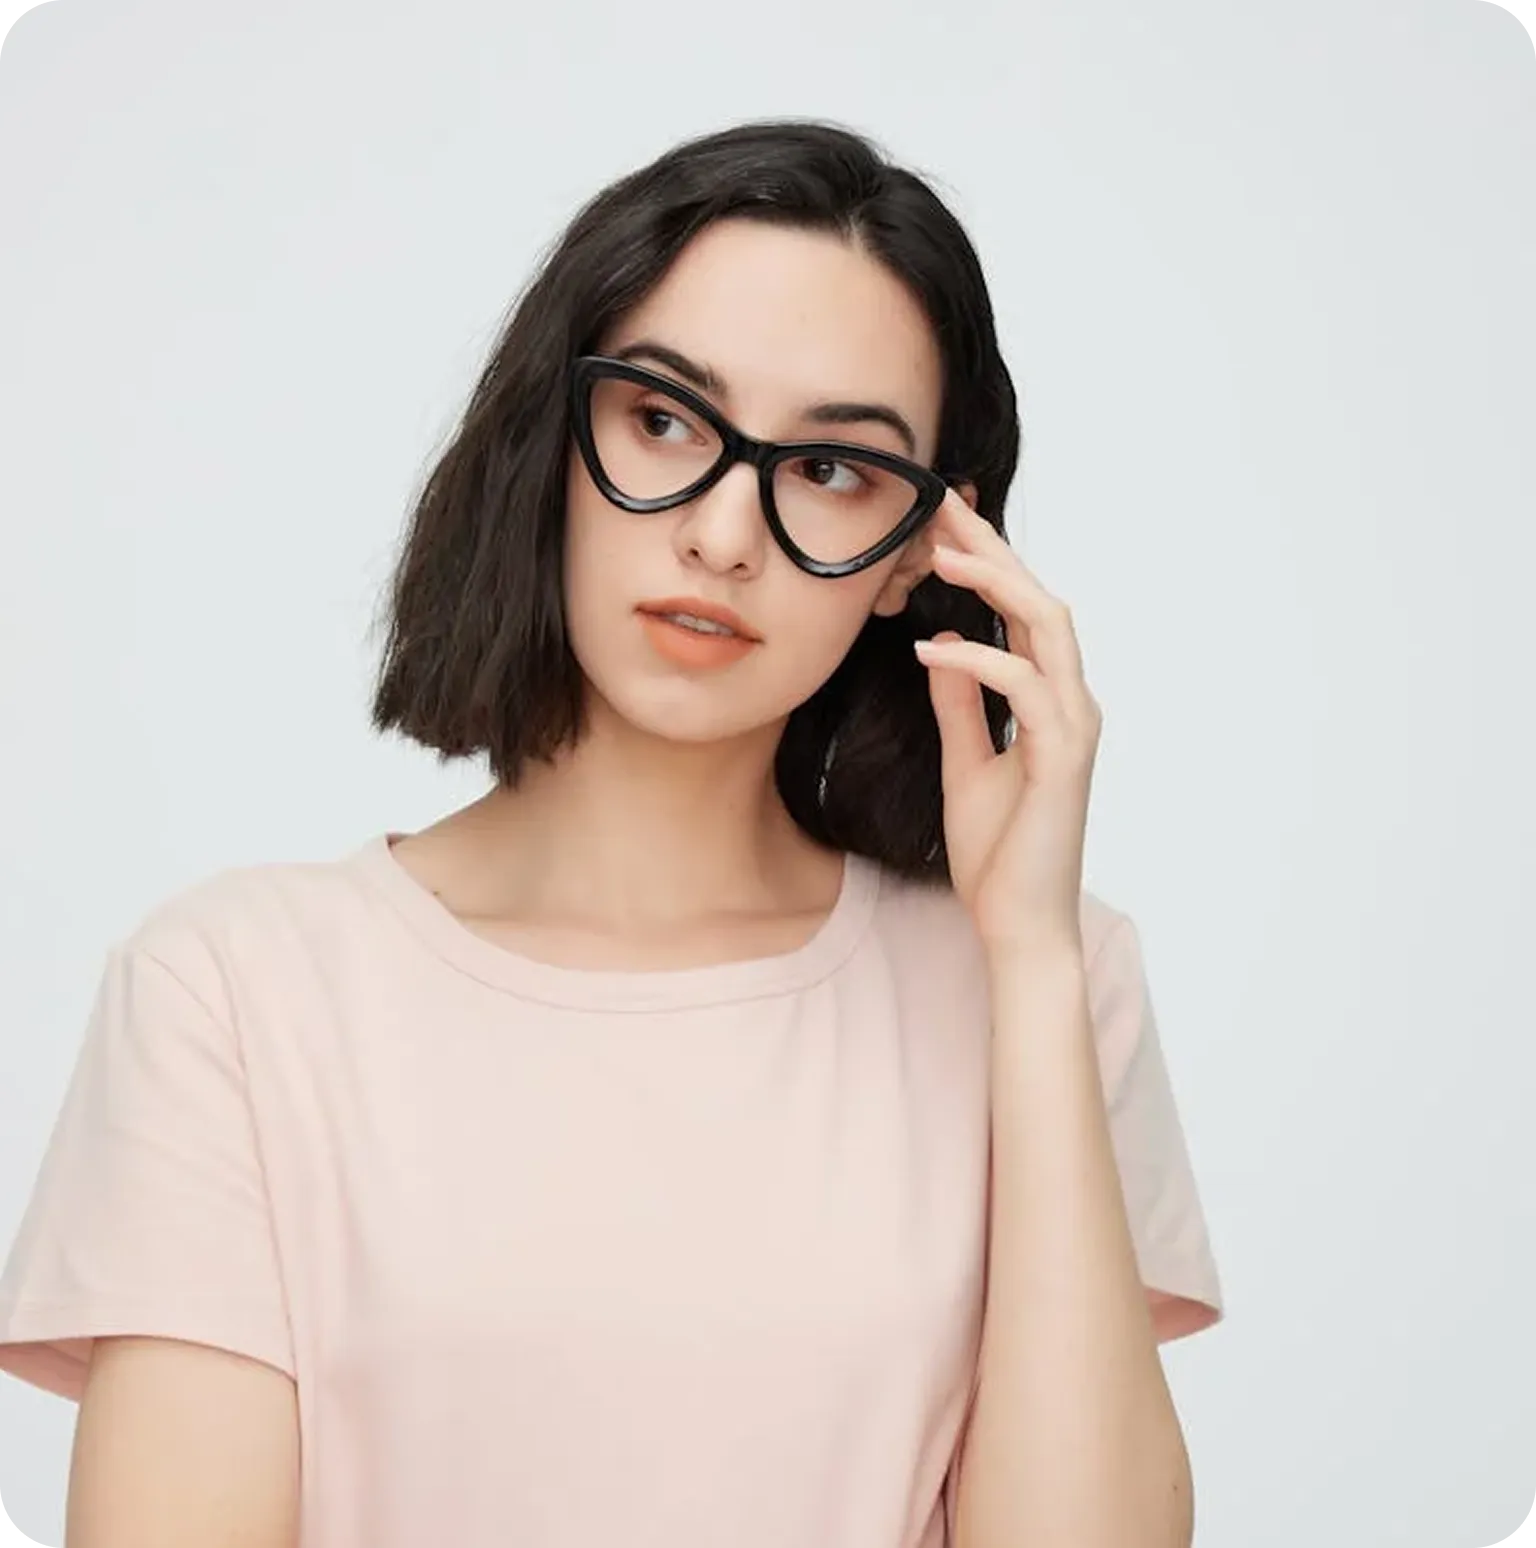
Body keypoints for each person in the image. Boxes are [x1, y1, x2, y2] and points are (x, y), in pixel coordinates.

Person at [0, 119, 1224, 1548]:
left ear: (919, 559)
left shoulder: (1050, 981)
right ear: (553, 438)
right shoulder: (237, 991)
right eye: (664, 419)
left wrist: (1024, 959)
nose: (722, 533)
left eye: (833, 468)